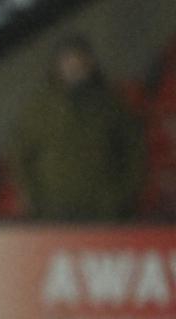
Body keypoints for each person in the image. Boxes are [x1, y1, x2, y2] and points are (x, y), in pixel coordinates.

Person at [10, 35, 146, 221]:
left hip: (104, 212)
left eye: (79, 61)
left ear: (91, 63)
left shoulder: (112, 105)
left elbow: (134, 151)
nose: (74, 67)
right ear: (57, 65)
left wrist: (121, 196)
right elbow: (19, 155)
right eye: (68, 61)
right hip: (54, 213)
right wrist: (33, 198)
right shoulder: (38, 108)